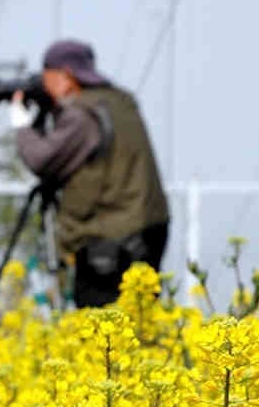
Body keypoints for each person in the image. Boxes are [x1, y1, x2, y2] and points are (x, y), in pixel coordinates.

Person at [10, 39, 169, 308]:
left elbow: (41, 160)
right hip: (149, 226)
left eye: (46, 77)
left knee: (100, 329)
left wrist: (22, 124)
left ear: (65, 78)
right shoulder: (120, 101)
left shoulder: (82, 115)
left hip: (112, 239)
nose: (44, 87)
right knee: (140, 323)